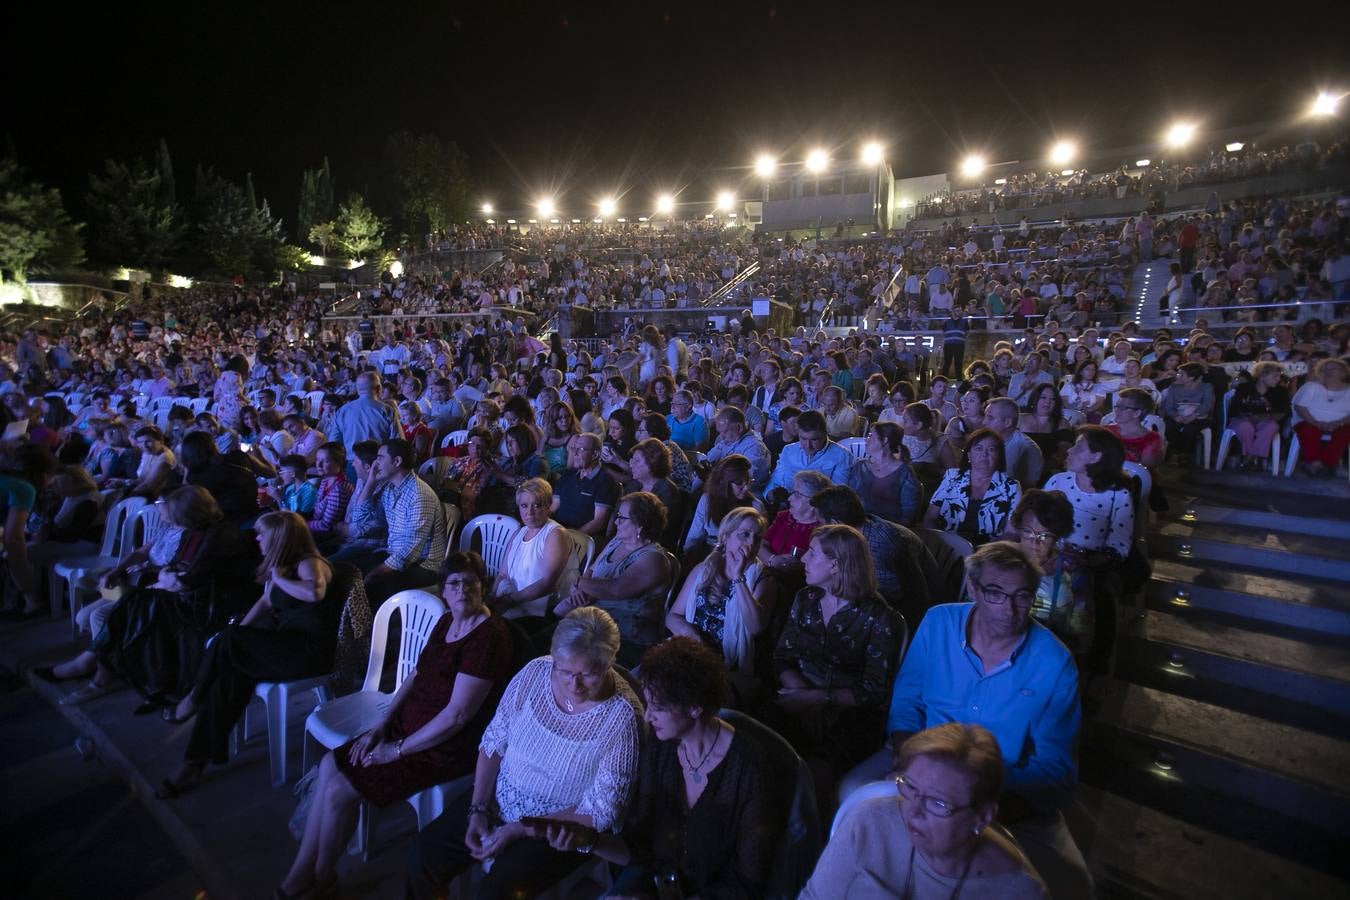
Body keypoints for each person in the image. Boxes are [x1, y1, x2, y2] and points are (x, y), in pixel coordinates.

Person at [843, 541, 1087, 899]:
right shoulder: (939, 622)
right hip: (921, 765)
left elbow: (1055, 768)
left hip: (1003, 787)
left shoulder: (1055, 662)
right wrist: (908, 759)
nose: (1009, 608)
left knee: (1072, 882)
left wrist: (983, 810)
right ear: (973, 588)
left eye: (1022, 596)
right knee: (851, 795)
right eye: (995, 593)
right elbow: (908, 702)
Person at [276, 551, 513, 899]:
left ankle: (322, 877)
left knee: (341, 789)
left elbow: (457, 716)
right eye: (454, 583)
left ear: (483, 587)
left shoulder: (488, 638)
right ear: (444, 591)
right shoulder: (447, 622)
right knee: (330, 764)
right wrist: (383, 722)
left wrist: (395, 750)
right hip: (406, 727)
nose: (463, 590)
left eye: (471, 583)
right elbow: (417, 675)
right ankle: (301, 871)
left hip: (443, 747)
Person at [405, 607, 643, 900]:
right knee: (421, 856)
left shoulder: (622, 718)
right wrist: (478, 808)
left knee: (496, 892)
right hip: (498, 800)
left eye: (587, 675)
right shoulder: (535, 673)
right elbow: (493, 743)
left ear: (609, 664)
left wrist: (519, 829)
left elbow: (602, 812)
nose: (573, 685)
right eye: (565, 671)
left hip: (558, 830)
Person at [538, 638, 776, 898]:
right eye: (648, 703)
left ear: (695, 707)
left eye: (659, 708)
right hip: (657, 886)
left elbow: (748, 881)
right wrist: (589, 842)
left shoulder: (749, 767)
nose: (648, 716)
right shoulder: (661, 747)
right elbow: (641, 848)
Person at [156, 512, 341, 795]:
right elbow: (264, 604)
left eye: (262, 534)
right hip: (283, 646)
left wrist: (279, 579)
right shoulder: (283, 566)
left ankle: (192, 701)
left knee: (231, 646)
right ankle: (194, 762)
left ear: (280, 537)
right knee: (227, 680)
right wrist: (231, 639)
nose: (257, 539)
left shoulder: (310, 563)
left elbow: (315, 593)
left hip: (308, 652)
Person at [805, 723, 1047, 899]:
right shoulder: (868, 822)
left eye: (937, 803)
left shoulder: (1020, 891)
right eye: (910, 787)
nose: (913, 811)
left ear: (982, 817)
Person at [765, 524, 903, 771]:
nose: (804, 558)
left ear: (836, 565)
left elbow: (874, 690)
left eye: (813, 552)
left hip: (847, 715)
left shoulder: (878, 616)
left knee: (813, 769)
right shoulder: (806, 598)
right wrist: (802, 695)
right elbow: (782, 656)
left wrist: (816, 699)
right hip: (796, 694)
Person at [1044, 427, 1135, 675]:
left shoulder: (1117, 495)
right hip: (1048, 557)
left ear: (1096, 457)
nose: (1070, 450)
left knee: (1101, 597)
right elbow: (1038, 520)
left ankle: (1092, 668)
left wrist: (1086, 560)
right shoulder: (1058, 482)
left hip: (1093, 564)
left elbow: (1120, 544)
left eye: (1079, 447)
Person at [558, 491, 673, 667]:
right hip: (592, 624)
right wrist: (581, 591)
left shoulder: (653, 559)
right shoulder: (617, 541)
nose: (616, 521)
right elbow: (592, 571)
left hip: (623, 639)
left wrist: (578, 582)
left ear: (640, 525)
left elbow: (616, 589)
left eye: (622, 518)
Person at [332, 439, 446, 607]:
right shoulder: (389, 488)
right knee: (345, 571)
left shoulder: (419, 495)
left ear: (397, 461)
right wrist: (370, 482)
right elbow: (360, 517)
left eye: (380, 457)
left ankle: (371, 628)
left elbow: (410, 550)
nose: (376, 463)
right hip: (394, 552)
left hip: (423, 565)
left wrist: (376, 572)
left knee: (370, 583)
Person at [668, 507, 774, 687]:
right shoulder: (703, 569)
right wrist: (693, 637)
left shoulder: (764, 579)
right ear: (725, 537)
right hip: (691, 648)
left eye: (757, 538)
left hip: (727, 664)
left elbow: (755, 627)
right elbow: (672, 617)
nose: (750, 543)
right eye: (744, 534)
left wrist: (738, 577)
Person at [810, 485, 938, 630]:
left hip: (909, 613)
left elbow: (886, 596)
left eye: (821, 522)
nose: (818, 526)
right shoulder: (857, 530)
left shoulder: (877, 546)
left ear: (835, 524)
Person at [1010, 490, 1089, 653]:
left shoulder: (1072, 567)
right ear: (1018, 529)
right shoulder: (1003, 561)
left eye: (1045, 536)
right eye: (1027, 532)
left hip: (1052, 649)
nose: (1034, 542)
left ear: (1057, 536)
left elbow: (1080, 627)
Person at [491, 478, 576, 628]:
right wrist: (491, 601)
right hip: (514, 604)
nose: (529, 512)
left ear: (549, 506)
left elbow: (547, 583)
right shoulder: (519, 532)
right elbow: (502, 574)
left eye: (536, 505)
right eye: (524, 506)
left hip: (540, 613)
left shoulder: (555, 534)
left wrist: (509, 600)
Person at [924, 429, 1022, 545]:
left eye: (991, 450)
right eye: (979, 448)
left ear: (999, 456)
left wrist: (987, 550)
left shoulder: (1011, 487)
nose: (984, 454)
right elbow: (929, 518)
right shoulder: (952, 476)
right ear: (969, 455)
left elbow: (1012, 533)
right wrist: (942, 543)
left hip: (989, 550)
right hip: (947, 546)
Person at [684, 454, 763, 557]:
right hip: (708, 555)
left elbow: (757, 546)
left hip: (740, 557)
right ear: (723, 482)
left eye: (748, 482)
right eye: (739, 483)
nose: (746, 488)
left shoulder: (755, 506)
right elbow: (694, 537)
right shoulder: (707, 500)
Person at [766, 410, 857, 496]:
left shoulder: (842, 455)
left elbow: (837, 494)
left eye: (814, 439)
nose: (808, 445)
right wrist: (770, 495)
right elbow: (775, 480)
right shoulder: (788, 450)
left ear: (825, 434)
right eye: (803, 438)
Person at [759, 469, 830, 574]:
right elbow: (762, 544)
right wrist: (772, 560)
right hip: (767, 573)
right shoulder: (783, 516)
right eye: (793, 492)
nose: (790, 498)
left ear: (813, 502)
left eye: (798, 494)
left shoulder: (822, 530)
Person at [617, 438, 682, 548]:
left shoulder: (667, 490)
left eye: (637, 461)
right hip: (625, 539)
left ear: (653, 463)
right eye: (632, 459)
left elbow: (659, 530)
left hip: (650, 546)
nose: (631, 464)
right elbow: (617, 514)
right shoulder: (634, 485)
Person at [551, 433, 619, 537]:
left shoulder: (605, 482)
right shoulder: (567, 475)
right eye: (575, 449)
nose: (575, 454)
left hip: (581, 539)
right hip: (556, 533)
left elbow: (599, 522)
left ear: (595, 454)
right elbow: (554, 507)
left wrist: (571, 537)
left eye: (581, 449)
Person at [1224, 361, 1289, 470]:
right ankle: (1253, 459)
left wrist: (1265, 416)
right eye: (1275, 376)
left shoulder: (1280, 391)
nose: (1278, 379)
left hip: (1266, 419)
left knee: (1271, 427)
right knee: (1246, 427)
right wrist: (1250, 415)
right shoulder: (1244, 388)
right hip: (1243, 419)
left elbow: (1282, 412)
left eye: (1279, 376)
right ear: (1262, 376)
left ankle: (1250, 457)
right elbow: (1236, 409)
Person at [1292, 357, 1350, 476]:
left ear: (1343, 372)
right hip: (1309, 421)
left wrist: (1337, 423)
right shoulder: (1311, 386)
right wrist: (1315, 422)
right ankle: (1317, 464)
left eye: (1332, 369)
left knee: (1345, 433)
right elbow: (1299, 407)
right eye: (1324, 369)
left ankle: (1321, 464)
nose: (1327, 372)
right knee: (1308, 431)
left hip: (1342, 423)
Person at [857, 421, 923, 525]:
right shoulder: (859, 467)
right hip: (859, 525)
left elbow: (908, 516)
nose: (866, 439)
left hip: (891, 529)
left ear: (885, 440)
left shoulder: (904, 473)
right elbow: (848, 501)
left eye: (870, 436)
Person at [326, 372, 403, 455]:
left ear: (357, 389)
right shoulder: (387, 410)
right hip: (379, 462)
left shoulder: (343, 411)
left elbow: (334, 443)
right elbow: (398, 442)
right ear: (379, 388)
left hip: (352, 462)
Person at [705, 406, 771, 491]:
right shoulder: (730, 438)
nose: (721, 437)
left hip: (748, 495)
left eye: (725, 431)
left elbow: (743, 480)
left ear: (739, 427)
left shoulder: (755, 447)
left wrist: (715, 473)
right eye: (720, 432)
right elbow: (708, 459)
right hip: (725, 489)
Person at [1159, 362, 1215, 464]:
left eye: (1181, 374)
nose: (1177, 376)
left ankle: (1184, 454)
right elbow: (1169, 406)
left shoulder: (1206, 387)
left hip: (1198, 417)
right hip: (1177, 415)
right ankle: (1175, 453)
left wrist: (1193, 415)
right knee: (1171, 427)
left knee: (1190, 430)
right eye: (1178, 373)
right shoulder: (1173, 387)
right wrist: (1176, 416)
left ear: (1192, 377)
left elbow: (1207, 405)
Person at [1106, 388, 1165, 469]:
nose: (1117, 411)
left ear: (1137, 413)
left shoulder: (1150, 439)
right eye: (1117, 406)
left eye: (1123, 408)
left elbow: (1145, 472)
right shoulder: (1106, 431)